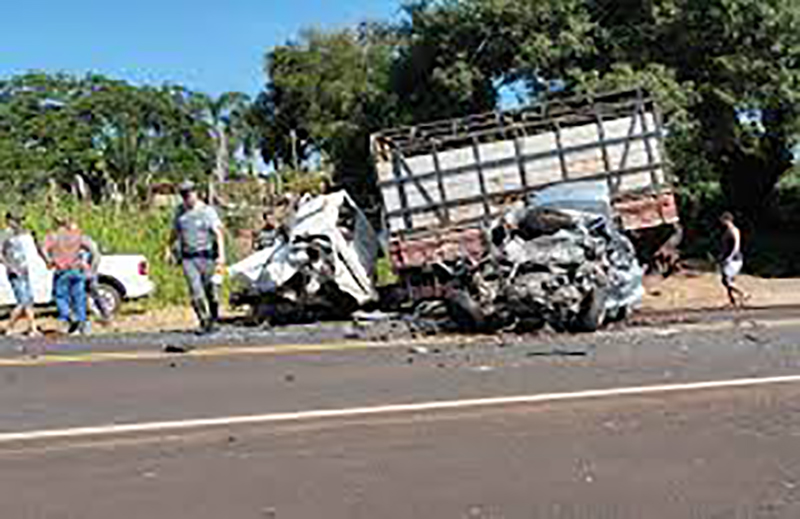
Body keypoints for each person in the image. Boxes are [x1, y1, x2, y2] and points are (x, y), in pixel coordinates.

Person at [170, 180, 226, 335]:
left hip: (207, 257)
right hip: (189, 258)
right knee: (196, 292)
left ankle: (214, 317)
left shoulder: (207, 211)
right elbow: (175, 232)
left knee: (212, 293)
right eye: (183, 194)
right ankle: (204, 321)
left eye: (189, 193)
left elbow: (218, 234)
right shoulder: (180, 212)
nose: (187, 197)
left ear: (196, 193)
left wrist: (221, 257)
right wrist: (169, 248)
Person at [43, 217, 94, 335]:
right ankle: (83, 327)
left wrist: (49, 261)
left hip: (62, 270)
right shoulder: (76, 235)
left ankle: (69, 316)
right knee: (79, 299)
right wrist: (85, 263)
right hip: (77, 269)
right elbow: (91, 249)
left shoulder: (52, 236)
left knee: (60, 297)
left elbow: (44, 249)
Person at [0, 212, 40, 337]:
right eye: (15, 220)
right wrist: (10, 266)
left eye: (19, 221)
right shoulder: (5, 234)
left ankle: (33, 329)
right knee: (22, 302)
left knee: (28, 301)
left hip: (23, 270)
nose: (18, 223)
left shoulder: (18, 233)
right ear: (8, 220)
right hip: (15, 272)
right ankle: (9, 327)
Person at [719, 212, 748, 308]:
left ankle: (744, 294)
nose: (721, 222)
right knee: (726, 280)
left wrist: (730, 257)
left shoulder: (734, 231)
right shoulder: (727, 231)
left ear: (727, 220)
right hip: (727, 258)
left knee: (727, 280)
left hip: (735, 259)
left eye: (723, 220)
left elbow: (737, 245)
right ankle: (733, 301)